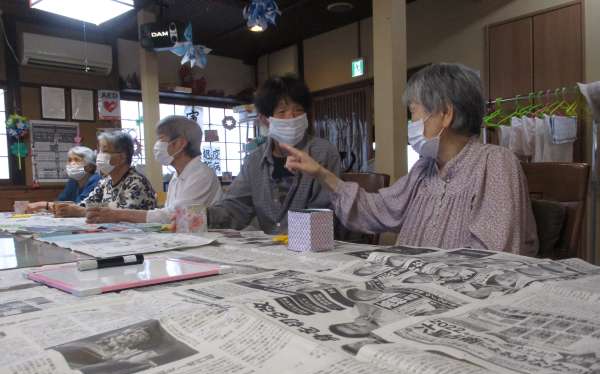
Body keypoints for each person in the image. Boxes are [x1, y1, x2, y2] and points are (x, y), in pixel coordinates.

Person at [284, 63, 539, 256]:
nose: (411, 123)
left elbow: (493, 259)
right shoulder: (425, 168)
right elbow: (377, 210)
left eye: (413, 112)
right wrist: (321, 173)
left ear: (445, 113)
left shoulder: (496, 163)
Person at [207, 75, 341, 234]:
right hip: (271, 246)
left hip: (312, 245)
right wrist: (202, 216)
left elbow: (325, 212)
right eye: (282, 111)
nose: (292, 117)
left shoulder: (323, 153)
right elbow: (235, 207)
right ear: (264, 119)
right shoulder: (254, 160)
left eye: (298, 110)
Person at [85, 116, 222, 224]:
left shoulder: (201, 174)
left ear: (179, 143)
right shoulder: (178, 175)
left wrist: (117, 214)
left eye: (161, 139)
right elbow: (169, 214)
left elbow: (176, 215)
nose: (157, 145)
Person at [54, 131, 156, 218]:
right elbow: (87, 204)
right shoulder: (106, 181)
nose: (99, 156)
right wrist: (67, 209)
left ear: (122, 157)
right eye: (99, 151)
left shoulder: (137, 182)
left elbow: (122, 214)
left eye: (105, 151)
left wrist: (81, 212)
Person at [26, 146, 101, 213]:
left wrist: (44, 205)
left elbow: (80, 207)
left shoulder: (96, 180)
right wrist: (45, 208)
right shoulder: (73, 181)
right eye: (70, 160)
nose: (72, 163)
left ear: (90, 166)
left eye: (77, 160)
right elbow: (60, 202)